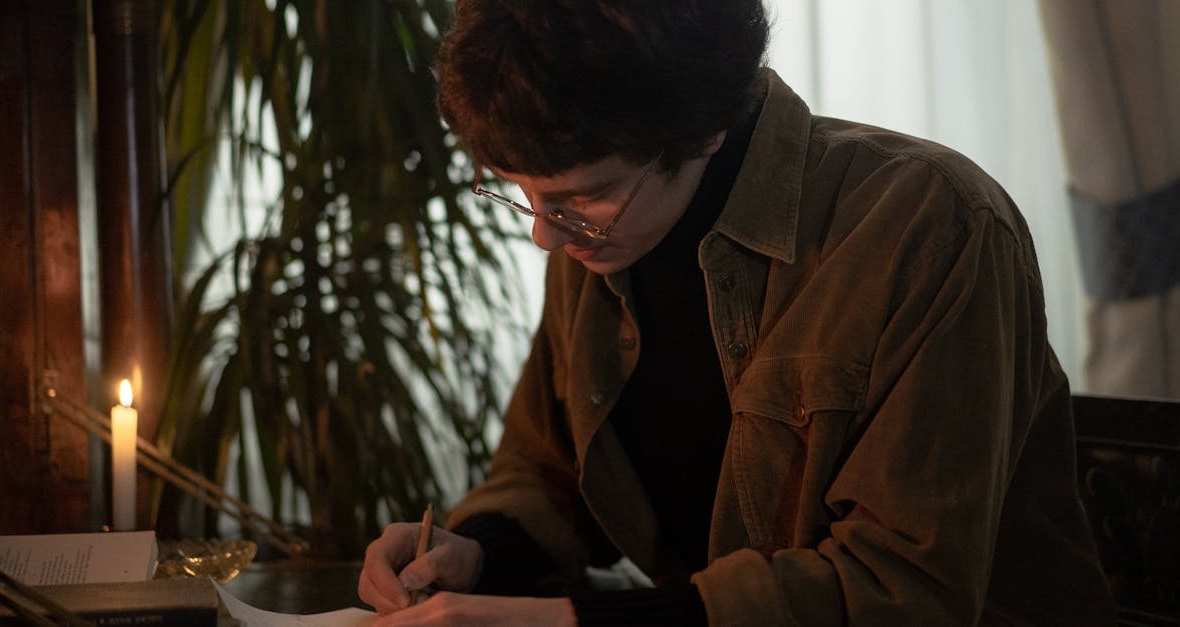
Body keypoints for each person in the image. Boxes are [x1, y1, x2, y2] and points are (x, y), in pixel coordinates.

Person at [358, 1, 1116, 625]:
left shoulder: (928, 223)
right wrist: (474, 549)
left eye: (578, 197)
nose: (544, 233)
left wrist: (569, 620)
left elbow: (902, 588)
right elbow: (548, 468)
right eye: (516, 190)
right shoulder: (608, 236)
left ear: (703, 128)